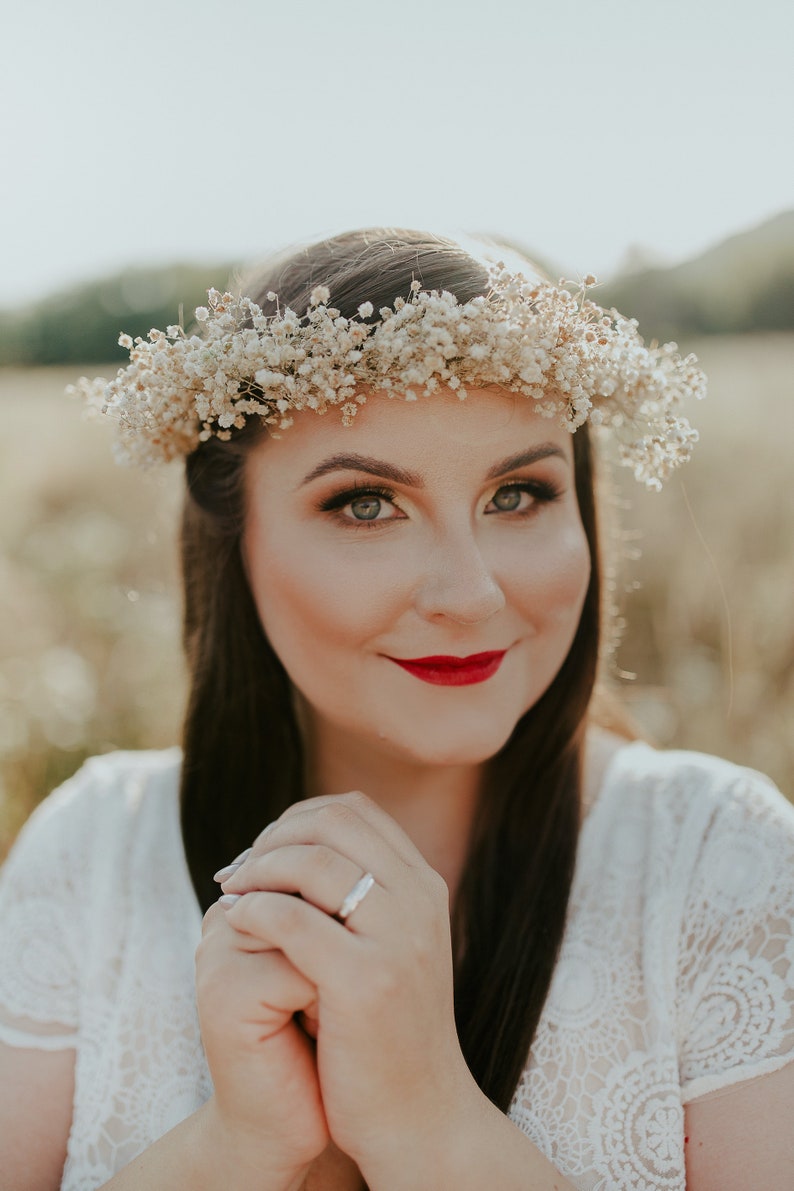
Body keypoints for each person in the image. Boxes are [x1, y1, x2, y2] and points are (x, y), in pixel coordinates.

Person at [0, 228, 792, 1191]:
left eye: (519, 492)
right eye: (366, 504)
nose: (470, 593)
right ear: (234, 539)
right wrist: (238, 1147)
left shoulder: (728, 863)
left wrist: (429, 1123)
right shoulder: (89, 854)